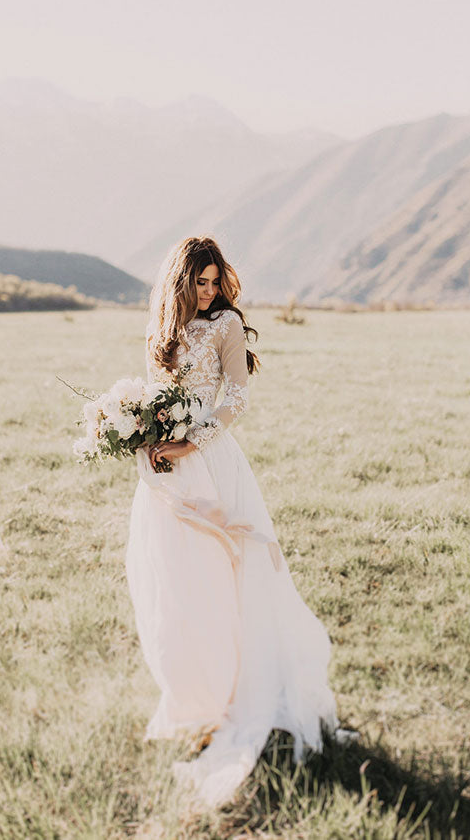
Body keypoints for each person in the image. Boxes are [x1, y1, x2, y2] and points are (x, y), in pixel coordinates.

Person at [126, 236, 348, 808]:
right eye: (198, 283)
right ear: (179, 283)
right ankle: (198, 697)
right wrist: (145, 437)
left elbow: (236, 400)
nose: (208, 292)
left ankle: (241, 691)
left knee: (226, 575)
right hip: (166, 469)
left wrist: (190, 442)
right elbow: (155, 396)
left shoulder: (225, 325)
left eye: (213, 282)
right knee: (176, 580)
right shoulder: (160, 330)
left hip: (211, 461)